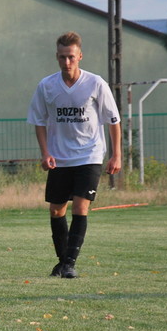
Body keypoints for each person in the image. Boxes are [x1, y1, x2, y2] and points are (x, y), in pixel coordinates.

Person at [27, 31, 121, 279]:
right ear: (56, 57)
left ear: (80, 56)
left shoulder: (96, 83)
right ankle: (62, 262)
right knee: (56, 210)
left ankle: (70, 263)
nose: (66, 62)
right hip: (59, 158)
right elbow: (38, 121)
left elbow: (113, 121)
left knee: (81, 206)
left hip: (89, 156)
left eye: (70, 57)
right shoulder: (46, 86)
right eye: (61, 57)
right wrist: (45, 152)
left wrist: (116, 155)